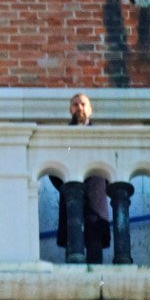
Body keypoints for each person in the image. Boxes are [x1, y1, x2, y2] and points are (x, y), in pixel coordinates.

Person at [53, 93, 111, 261]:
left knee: (95, 240)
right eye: (75, 104)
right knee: (73, 237)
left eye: (83, 104)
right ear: (70, 109)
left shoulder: (100, 136)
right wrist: (65, 186)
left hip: (95, 191)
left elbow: (109, 163)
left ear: (90, 110)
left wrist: (101, 184)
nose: (79, 107)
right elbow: (53, 166)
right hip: (71, 190)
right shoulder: (62, 137)